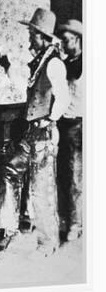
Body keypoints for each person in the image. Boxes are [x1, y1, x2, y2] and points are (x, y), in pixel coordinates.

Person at [0, 8, 69, 256]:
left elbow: (64, 97)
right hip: (31, 132)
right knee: (10, 171)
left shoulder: (54, 63)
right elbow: (27, 89)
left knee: (42, 188)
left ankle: (48, 241)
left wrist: (49, 119)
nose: (29, 39)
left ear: (42, 36)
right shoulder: (40, 63)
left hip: (44, 133)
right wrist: (7, 68)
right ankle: (9, 229)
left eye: (32, 34)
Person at [56, 19, 83, 241]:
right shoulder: (65, 63)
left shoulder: (89, 62)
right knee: (68, 175)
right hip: (67, 124)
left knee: (78, 176)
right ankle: (70, 221)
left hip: (83, 123)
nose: (63, 45)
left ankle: (78, 221)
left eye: (66, 41)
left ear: (77, 39)